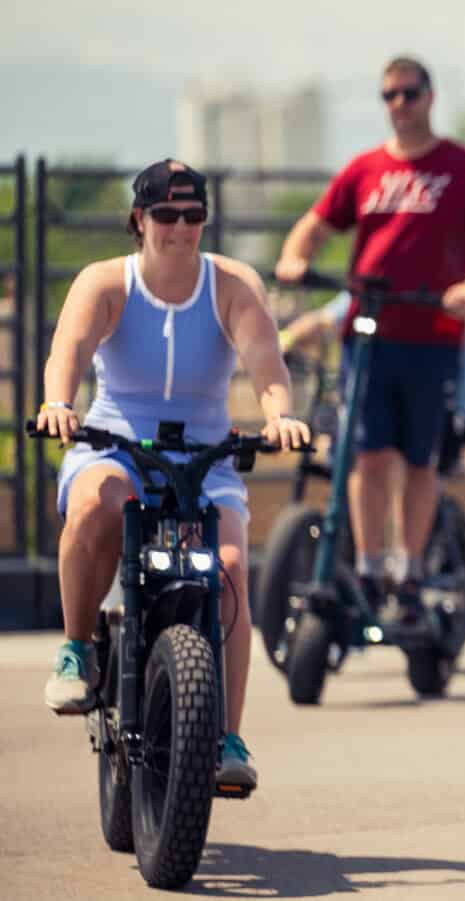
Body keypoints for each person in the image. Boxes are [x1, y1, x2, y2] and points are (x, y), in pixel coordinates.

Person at [39, 160, 311, 791]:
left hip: (204, 458)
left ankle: (227, 737)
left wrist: (281, 416)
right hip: (113, 443)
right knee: (96, 505)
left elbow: (266, 367)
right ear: (140, 219)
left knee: (233, 568)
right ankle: (77, 647)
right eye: (166, 215)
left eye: (194, 216)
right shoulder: (106, 283)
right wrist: (59, 404)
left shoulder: (231, 285)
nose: (181, 228)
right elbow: (69, 353)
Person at [274, 55, 465, 616]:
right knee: (367, 455)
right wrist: (294, 257)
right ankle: (367, 569)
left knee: (419, 460)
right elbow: (313, 226)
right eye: (389, 96)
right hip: (368, 333)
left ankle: (407, 574)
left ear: (429, 97)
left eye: (409, 94)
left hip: (434, 334)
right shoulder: (364, 170)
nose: (399, 106)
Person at [278, 292, 465, 476]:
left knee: (416, 462)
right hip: (375, 398)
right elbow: (324, 320)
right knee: (356, 440)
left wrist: (462, 414)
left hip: (432, 404)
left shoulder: (449, 298)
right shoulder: (372, 290)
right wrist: (285, 339)